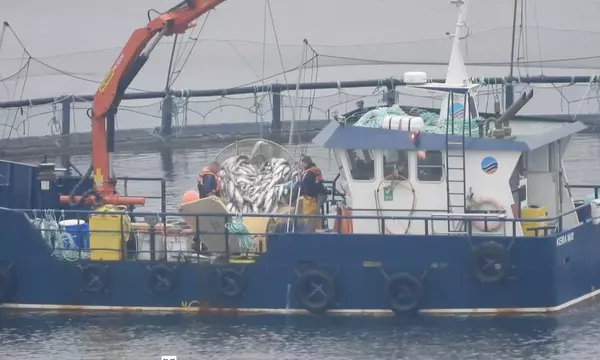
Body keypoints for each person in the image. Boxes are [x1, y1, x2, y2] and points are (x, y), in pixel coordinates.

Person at [298, 155, 327, 231]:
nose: (302, 165)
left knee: (309, 220)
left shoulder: (309, 173)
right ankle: (318, 231)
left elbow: (306, 185)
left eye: (303, 163)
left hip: (310, 200)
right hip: (315, 200)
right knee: (316, 219)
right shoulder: (315, 171)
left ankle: (309, 234)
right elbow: (318, 185)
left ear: (306, 163)